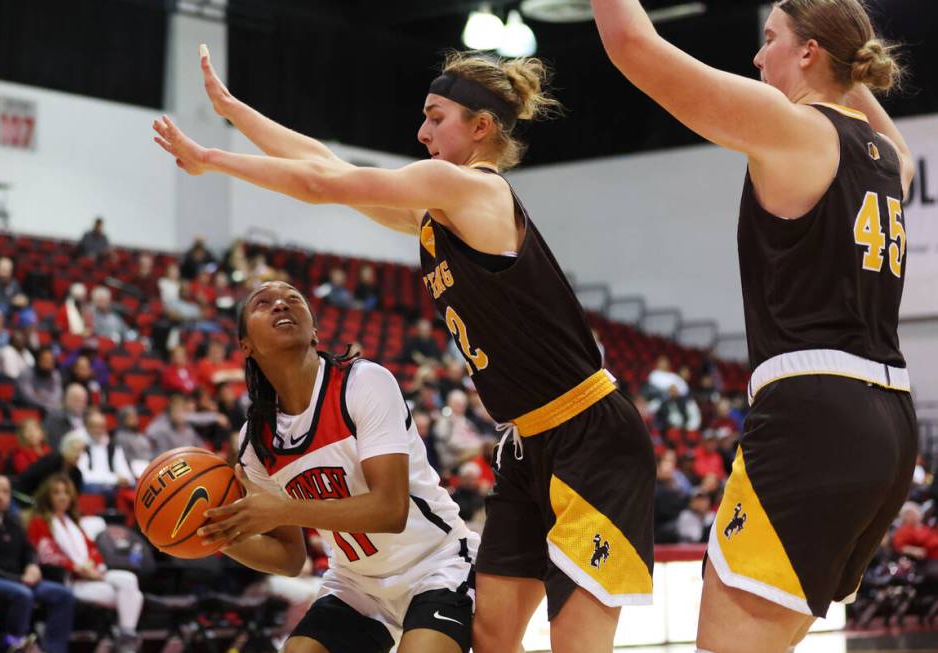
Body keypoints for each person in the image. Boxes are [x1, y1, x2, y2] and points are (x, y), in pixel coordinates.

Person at [159, 45, 656, 653]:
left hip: (589, 433)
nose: (421, 132)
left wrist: (210, 158)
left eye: (436, 116)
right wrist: (236, 111)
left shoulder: (470, 188)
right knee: (494, 638)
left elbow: (320, 183)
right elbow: (325, 165)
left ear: (481, 127)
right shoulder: (438, 210)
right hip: (526, 442)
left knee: (576, 643)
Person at [591, 1, 918, 650]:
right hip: (890, 424)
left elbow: (632, 42)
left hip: (812, 415)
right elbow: (873, 106)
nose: (757, 55)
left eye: (771, 39)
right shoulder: (890, 158)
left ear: (810, 52)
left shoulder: (795, 126)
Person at [196, 281, 479, 653]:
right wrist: (217, 536)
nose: (281, 304)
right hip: (356, 584)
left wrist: (283, 509)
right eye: (264, 303)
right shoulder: (257, 441)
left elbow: (390, 510)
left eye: (293, 299)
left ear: (314, 330)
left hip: (435, 564)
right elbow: (290, 557)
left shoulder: (363, 383)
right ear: (245, 344)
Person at [26, 474, 142, 653]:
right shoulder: (39, 522)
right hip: (69, 579)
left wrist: (92, 566)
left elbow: (93, 550)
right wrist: (77, 569)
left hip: (91, 573)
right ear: (47, 496)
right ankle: (126, 642)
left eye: (66, 492)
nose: (63, 497)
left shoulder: (73, 522)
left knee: (129, 579)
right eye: (57, 493)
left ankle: (125, 635)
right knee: (134, 597)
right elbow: (47, 555)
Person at [0, 475, 75, 653]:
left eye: (5, 491)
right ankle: (15, 644)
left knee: (63, 595)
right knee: (23, 594)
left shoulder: (14, 522)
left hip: (21, 579)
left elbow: (29, 550)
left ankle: (54, 649)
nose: (0, 496)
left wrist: (33, 566)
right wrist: (19, 578)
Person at [17, 346, 64, 413]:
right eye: (44, 360)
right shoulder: (26, 373)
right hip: (28, 409)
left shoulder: (55, 375)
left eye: (50, 360)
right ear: (37, 360)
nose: (47, 363)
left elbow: (57, 396)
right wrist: (46, 403)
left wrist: (40, 394)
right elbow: (28, 397)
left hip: (50, 410)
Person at [43, 383, 89, 451]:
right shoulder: (55, 419)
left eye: (83, 401)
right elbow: (55, 445)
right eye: (76, 400)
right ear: (66, 399)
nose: (80, 404)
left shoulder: (88, 418)